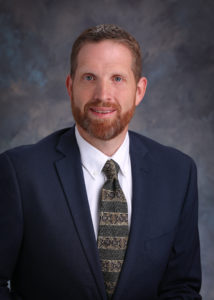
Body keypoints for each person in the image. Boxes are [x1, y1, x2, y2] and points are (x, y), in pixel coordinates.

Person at [0, 24, 202, 300]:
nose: (102, 95)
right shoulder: (19, 173)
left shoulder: (178, 173)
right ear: (71, 86)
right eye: (89, 78)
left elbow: (182, 288)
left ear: (139, 90)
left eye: (117, 78)